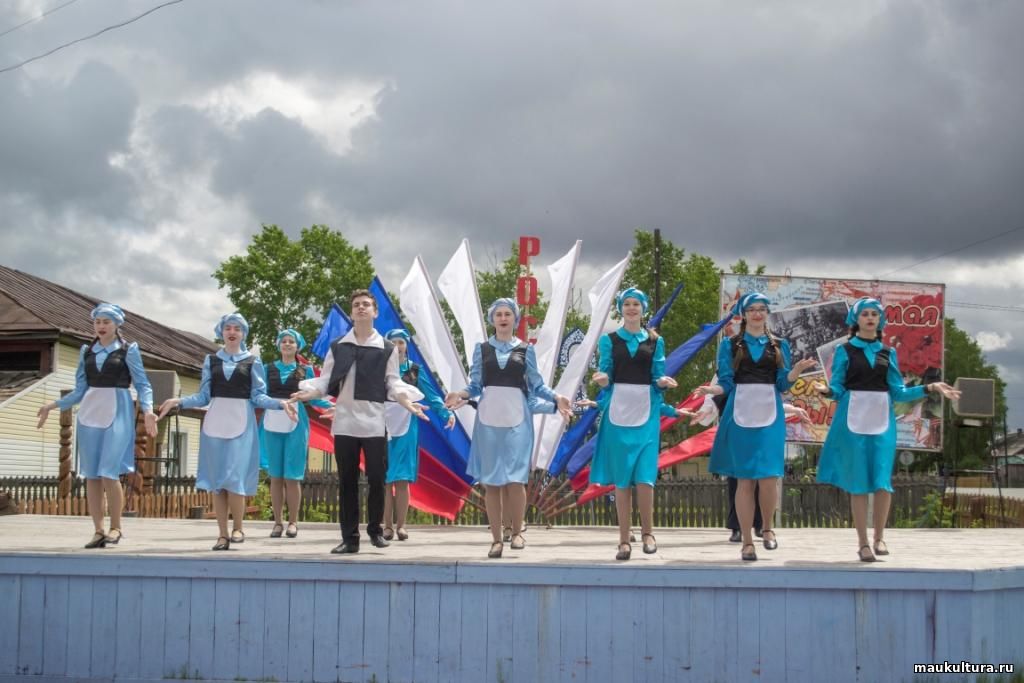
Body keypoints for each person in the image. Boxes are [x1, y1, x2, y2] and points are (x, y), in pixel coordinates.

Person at [813, 297, 959, 561]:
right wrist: (826, 391)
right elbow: (837, 388)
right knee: (859, 483)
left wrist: (930, 387)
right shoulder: (844, 350)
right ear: (856, 319)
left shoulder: (888, 352)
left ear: (880, 319)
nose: (870, 318)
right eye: (865, 314)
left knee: (882, 482)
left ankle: (879, 537)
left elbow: (899, 393)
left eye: (874, 314)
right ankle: (863, 543)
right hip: (853, 419)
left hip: (882, 420)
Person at [291, 290, 425, 554]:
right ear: (352, 313)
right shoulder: (338, 346)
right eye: (356, 305)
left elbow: (392, 382)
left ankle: (375, 530)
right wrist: (309, 392)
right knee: (347, 482)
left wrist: (405, 400)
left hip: (374, 423)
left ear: (375, 312)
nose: (361, 308)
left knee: (377, 479)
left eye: (366, 304)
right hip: (345, 424)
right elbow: (326, 380)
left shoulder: (387, 348)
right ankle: (350, 538)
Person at [444, 298, 572, 558]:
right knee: (492, 482)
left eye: (507, 314)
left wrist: (557, 398)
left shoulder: (526, 349)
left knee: (516, 479)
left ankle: (516, 533)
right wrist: (461, 394)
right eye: (498, 314)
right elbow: (475, 385)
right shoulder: (481, 349)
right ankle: (495, 539)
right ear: (492, 319)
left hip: (518, 420)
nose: (503, 318)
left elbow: (537, 385)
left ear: (515, 319)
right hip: (488, 420)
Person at [158, 313, 296, 550]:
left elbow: (258, 396)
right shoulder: (211, 360)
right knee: (218, 482)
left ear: (243, 334)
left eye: (237, 328)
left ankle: (238, 527)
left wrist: (280, 403)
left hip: (241, 423)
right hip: (215, 424)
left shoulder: (253, 361)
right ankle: (222, 534)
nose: (232, 332)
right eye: (228, 328)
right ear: (222, 332)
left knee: (234, 478)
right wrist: (178, 401)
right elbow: (203, 396)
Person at [697, 292, 816, 561]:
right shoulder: (729, 344)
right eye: (752, 309)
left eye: (762, 308)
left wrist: (796, 371)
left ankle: (768, 529)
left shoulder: (779, 344)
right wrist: (712, 390)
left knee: (769, 476)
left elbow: (782, 383)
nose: (757, 313)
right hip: (739, 412)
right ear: (744, 314)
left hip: (770, 414)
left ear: (767, 312)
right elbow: (726, 382)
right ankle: (747, 541)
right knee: (745, 479)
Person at [36, 303, 157, 548]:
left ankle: (116, 527)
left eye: (106, 322)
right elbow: (79, 390)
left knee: (109, 472)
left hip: (118, 411)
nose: (101, 326)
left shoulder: (128, 350)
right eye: (97, 322)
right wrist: (52, 405)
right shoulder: (86, 351)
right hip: (90, 414)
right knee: (92, 474)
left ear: (117, 324)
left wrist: (148, 411)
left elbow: (143, 384)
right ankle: (98, 530)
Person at [588, 288, 681, 560]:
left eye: (636, 304)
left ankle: (648, 533)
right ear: (621, 309)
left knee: (645, 477)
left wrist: (662, 383)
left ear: (643, 308)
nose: (631, 308)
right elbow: (606, 375)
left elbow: (657, 377)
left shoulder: (655, 341)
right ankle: (623, 539)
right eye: (626, 304)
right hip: (618, 413)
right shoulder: (609, 340)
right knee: (622, 480)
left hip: (646, 413)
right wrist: (603, 380)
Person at [380, 328, 455, 541]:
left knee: (402, 478)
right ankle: (386, 526)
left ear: (407, 346)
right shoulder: (380, 368)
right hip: (382, 425)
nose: (397, 347)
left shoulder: (414, 370)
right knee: (385, 478)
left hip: (407, 425)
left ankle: (401, 526)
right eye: (393, 342)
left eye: (401, 342)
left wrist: (446, 413)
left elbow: (432, 396)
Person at [259, 328, 332, 539]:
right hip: (271, 421)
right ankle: (277, 523)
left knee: (292, 476)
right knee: (275, 476)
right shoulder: (267, 368)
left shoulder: (305, 370)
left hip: (296, 424)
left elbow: (314, 396)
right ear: (279, 344)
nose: (287, 344)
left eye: (291, 341)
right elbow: (259, 394)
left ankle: (293, 522)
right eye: (284, 341)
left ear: (298, 346)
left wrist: (333, 406)